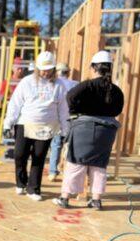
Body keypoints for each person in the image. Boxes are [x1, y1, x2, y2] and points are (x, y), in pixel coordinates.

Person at [53, 51, 124, 210]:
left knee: (76, 162)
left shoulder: (86, 85)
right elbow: (118, 109)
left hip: (83, 128)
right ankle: (96, 200)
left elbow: (70, 96)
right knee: (99, 165)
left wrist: (76, 111)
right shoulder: (115, 90)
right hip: (106, 131)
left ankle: (65, 198)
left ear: (93, 68)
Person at [3, 51, 70, 201]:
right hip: (25, 124)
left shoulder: (59, 85)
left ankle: (33, 189)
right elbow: (15, 104)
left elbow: (63, 110)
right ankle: (21, 182)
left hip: (46, 126)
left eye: (49, 69)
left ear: (53, 69)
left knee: (38, 157)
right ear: (37, 68)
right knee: (20, 155)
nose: (45, 72)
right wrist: (8, 124)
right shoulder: (27, 82)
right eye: (43, 69)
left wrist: (65, 131)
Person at [48, 62, 78, 181]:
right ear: (68, 72)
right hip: (72, 119)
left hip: (57, 119)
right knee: (70, 146)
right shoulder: (75, 84)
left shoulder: (53, 84)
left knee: (56, 145)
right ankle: (68, 172)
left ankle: (53, 172)